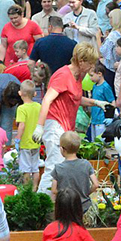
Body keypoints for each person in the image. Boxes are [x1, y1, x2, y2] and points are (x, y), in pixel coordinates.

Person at [35, 43, 97, 193]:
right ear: (81, 61)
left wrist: (97, 103)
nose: (92, 67)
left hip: (65, 127)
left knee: (61, 168)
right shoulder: (63, 75)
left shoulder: (78, 77)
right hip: (54, 125)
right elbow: (47, 99)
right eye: (91, 63)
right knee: (54, 168)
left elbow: (76, 98)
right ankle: (42, 205)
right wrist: (39, 126)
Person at [50, 131, 98, 213]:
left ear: (62, 149)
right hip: (83, 205)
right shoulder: (86, 164)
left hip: (65, 206)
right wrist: (86, 193)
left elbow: (54, 190)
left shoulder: (58, 168)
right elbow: (96, 184)